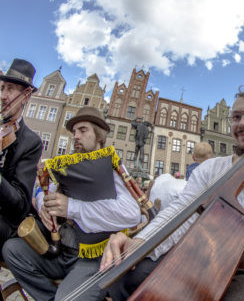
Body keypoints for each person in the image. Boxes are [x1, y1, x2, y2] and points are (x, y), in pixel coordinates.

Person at [101, 88, 244, 300]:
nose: (243, 123)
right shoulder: (210, 168)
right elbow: (181, 211)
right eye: (237, 117)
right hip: (205, 255)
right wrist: (142, 242)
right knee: (127, 277)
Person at [2, 107, 141, 300]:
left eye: (83, 131)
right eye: (74, 132)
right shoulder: (67, 164)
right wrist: (45, 204)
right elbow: (45, 191)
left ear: (99, 136)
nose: (75, 136)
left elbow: (131, 213)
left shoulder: (111, 166)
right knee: (12, 250)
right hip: (61, 250)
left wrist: (72, 207)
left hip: (92, 258)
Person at [0, 59, 42, 256]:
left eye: (10, 89)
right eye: (1, 89)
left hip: (6, 223)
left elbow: (20, 205)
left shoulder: (30, 142)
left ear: (25, 96)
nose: (3, 96)